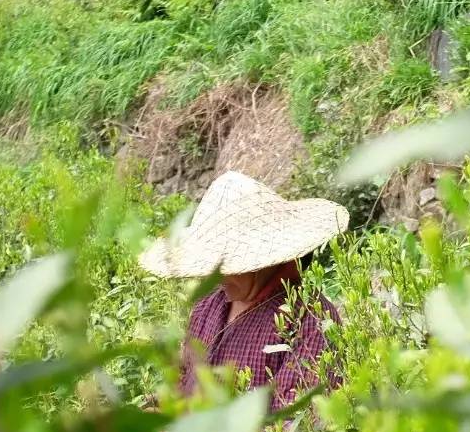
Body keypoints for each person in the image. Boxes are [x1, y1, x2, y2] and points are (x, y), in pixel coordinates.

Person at [140, 171, 348, 410]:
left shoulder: (310, 322)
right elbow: (184, 379)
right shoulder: (208, 305)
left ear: (266, 260)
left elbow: (297, 428)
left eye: (227, 265)